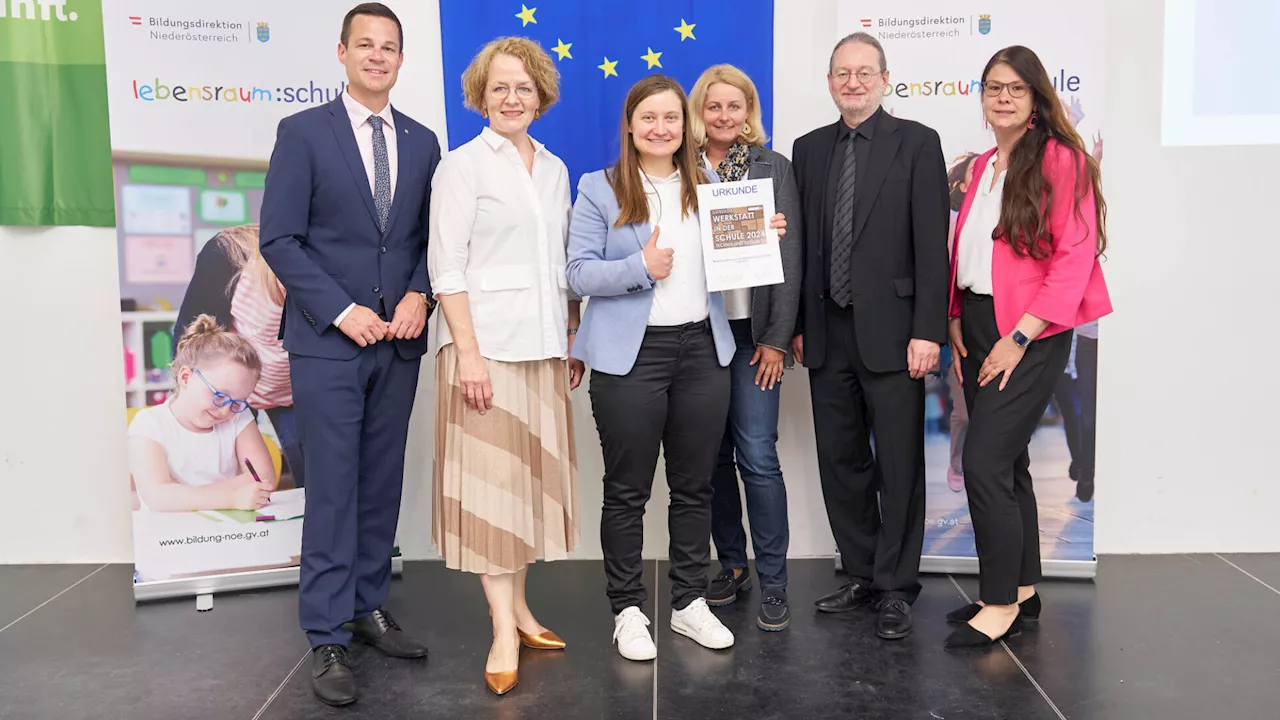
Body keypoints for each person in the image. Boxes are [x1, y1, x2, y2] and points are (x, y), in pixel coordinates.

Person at [566, 75, 787, 661]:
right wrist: (641, 265)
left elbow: (731, 272)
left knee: (694, 487)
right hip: (630, 358)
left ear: (683, 125)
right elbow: (578, 273)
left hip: (702, 353)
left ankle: (690, 603)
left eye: (670, 118)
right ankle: (628, 610)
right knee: (627, 491)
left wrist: (758, 240)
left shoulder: (709, 183)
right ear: (631, 126)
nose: (661, 128)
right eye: (649, 118)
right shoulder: (600, 188)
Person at [259, 3, 439, 706]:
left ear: (401, 58)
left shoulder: (424, 144)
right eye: (364, 45)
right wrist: (341, 309)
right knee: (332, 488)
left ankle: (367, 608)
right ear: (341, 53)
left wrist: (420, 295)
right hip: (329, 343)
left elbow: (430, 241)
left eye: (389, 46)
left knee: (378, 481)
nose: (377, 55)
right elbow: (279, 239)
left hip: (399, 343)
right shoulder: (302, 133)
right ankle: (327, 633)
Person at [427, 36, 583, 696]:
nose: (511, 97)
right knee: (492, 496)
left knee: (522, 494)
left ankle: (520, 611)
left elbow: (561, 268)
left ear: (540, 95)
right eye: (499, 87)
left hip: (542, 349)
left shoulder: (554, 167)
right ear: (480, 96)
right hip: (484, 352)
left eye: (523, 87)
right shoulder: (461, 167)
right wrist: (468, 354)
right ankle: (499, 629)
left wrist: (570, 339)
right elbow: (447, 268)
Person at [943, 45, 1111, 647]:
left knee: (984, 462)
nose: (1004, 97)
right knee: (1007, 462)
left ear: (1037, 97)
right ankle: (1021, 589)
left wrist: (1019, 337)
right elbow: (967, 249)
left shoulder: (1062, 160)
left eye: (1016, 88)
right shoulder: (986, 162)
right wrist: (957, 316)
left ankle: (996, 604)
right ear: (983, 99)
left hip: (1031, 329)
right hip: (980, 321)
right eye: (994, 88)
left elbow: (1074, 257)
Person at [791, 32, 949, 641]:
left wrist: (927, 330)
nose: (852, 82)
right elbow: (802, 249)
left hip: (895, 335)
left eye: (864, 72)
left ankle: (896, 586)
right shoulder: (808, 150)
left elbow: (931, 247)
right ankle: (859, 572)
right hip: (827, 335)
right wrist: (800, 327)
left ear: (885, 79)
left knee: (900, 463)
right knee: (842, 461)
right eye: (841, 73)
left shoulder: (917, 143)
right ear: (829, 81)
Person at [688, 64, 802, 631]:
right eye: (715, 107)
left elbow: (791, 260)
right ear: (699, 111)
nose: (725, 117)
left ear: (750, 112)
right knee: (711, 459)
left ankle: (775, 580)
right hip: (698, 332)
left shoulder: (772, 168)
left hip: (754, 333)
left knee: (758, 454)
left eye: (736, 107)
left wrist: (779, 339)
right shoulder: (681, 167)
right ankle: (732, 567)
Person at [175, 226, 304, 488]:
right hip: (231, 392)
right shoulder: (229, 253)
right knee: (217, 474)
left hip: (293, 389)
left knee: (312, 479)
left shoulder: (335, 258)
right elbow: (191, 334)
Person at [128, 315, 277, 512]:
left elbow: (264, 477)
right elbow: (157, 497)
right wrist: (232, 498)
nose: (225, 410)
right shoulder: (149, 424)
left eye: (237, 402)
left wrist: (180, 494)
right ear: (186, 377)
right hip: (169, 536)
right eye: (219, 395)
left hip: (228, 530)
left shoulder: (238, 416)